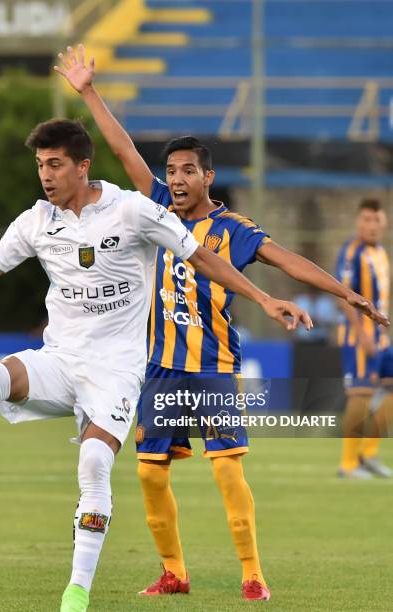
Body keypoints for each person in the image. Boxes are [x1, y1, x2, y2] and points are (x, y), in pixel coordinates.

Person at [0, 119, 313, 612]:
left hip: (117, 372)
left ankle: (76, 591)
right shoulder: (35, 221)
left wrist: (264, 297)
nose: (46, 175)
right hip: (59, 361)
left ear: (83, 166)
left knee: (94, 462)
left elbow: (202, 258)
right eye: (40, 165)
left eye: (55, 164)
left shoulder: (131, 210)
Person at [54, 44, 390, 602]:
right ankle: (173, 573)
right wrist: (88, 90)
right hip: (159, 368)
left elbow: (290, 261)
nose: (177, 179)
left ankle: (253, 574)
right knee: (149, 474)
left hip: (212, 368)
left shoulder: (233, 228)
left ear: (209, 175)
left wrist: (347, 293)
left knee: (228, 472)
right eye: (172, 171)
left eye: (189, 170)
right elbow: (122, 147)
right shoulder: (157, 207)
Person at [336, 198, 393, 478]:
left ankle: (368, 453)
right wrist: (362, 334)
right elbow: (342, 297)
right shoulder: (351, 252)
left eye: (377, 220)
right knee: (360, 394)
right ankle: (348, 464)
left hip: (382, 337)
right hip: (359, 335)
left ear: (384, 223)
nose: (372, 225)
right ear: (359, 222)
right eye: (367, 220)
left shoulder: (381, 252)